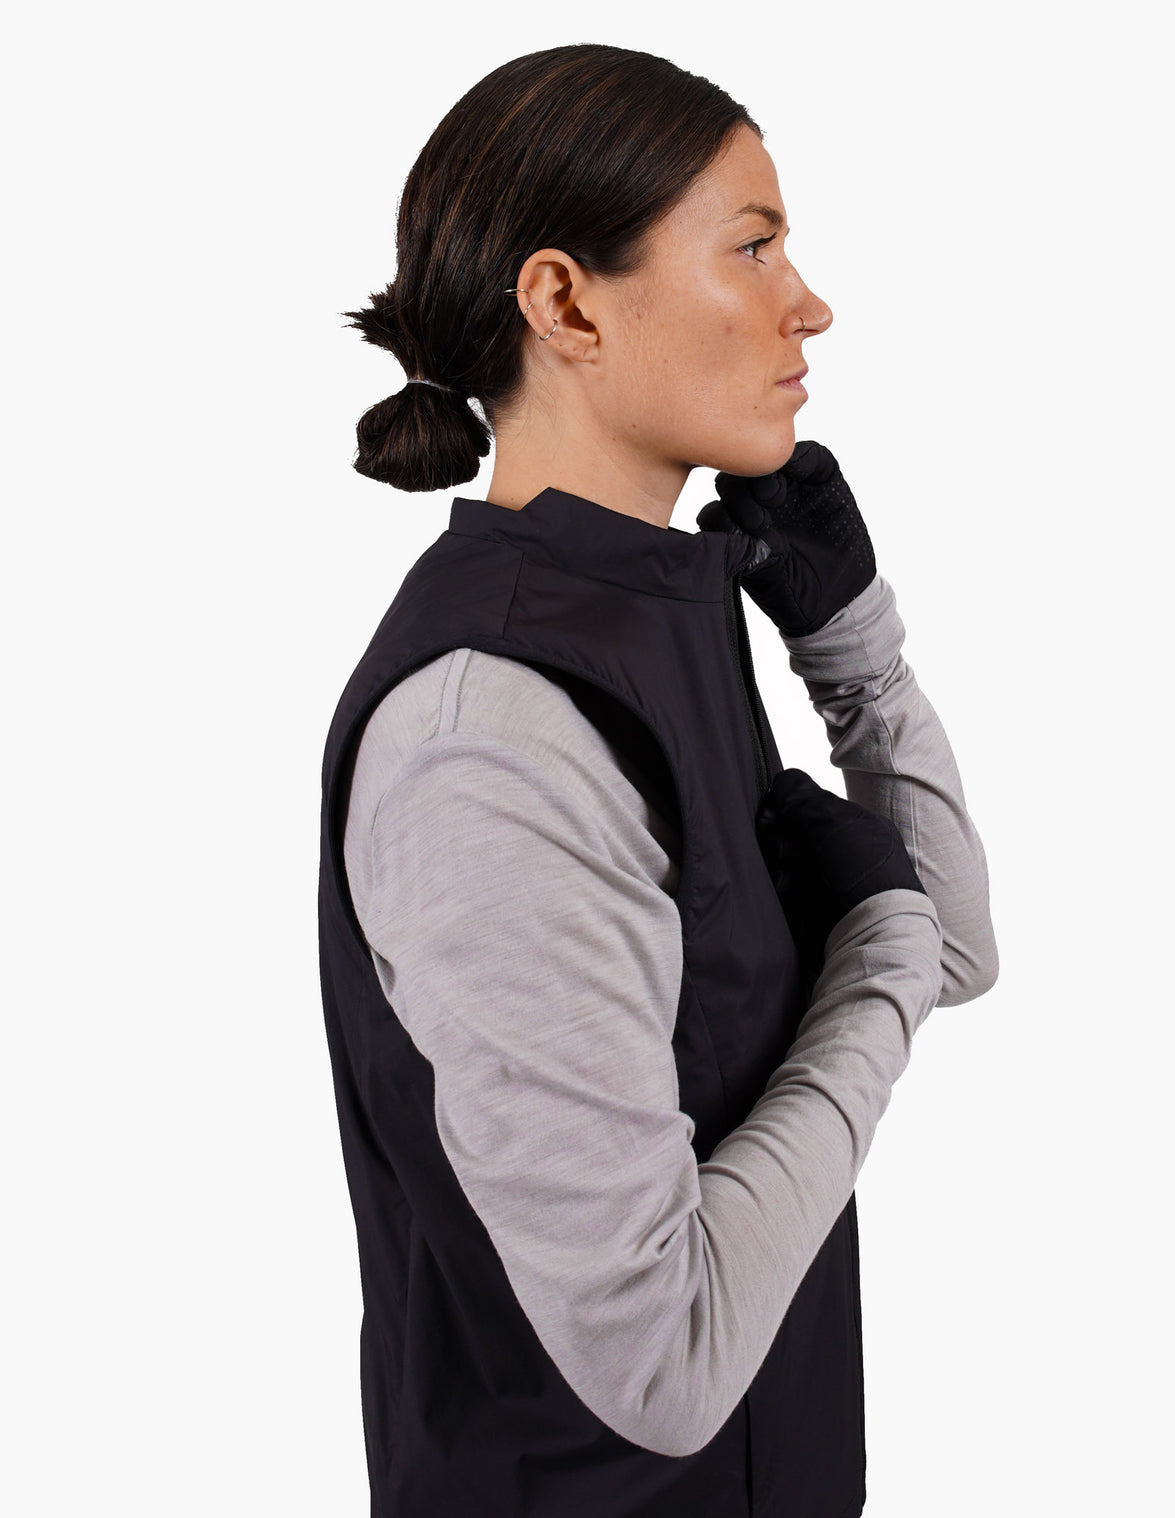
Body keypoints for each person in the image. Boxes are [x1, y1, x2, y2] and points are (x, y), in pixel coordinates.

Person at [318, 42, 999, 1518]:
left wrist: (852, 648)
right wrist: (880, 963)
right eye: (752, 246)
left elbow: (953, 943)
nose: (807, 304)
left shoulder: (658, 608)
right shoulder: (488, 741)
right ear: (565, 303)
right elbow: (666, 1361)